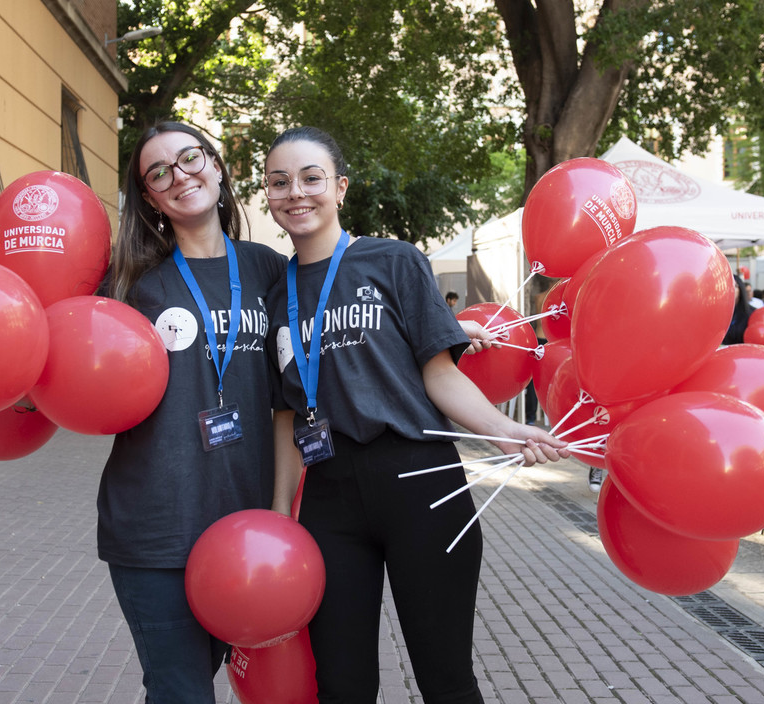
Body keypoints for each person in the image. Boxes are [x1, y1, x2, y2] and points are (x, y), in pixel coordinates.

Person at [264, 126, 568, 704]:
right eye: (280, 182)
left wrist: (505, 431)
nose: (296, 193)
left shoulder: (394, 261)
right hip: (328, 497)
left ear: (340, 188)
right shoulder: (276, 292)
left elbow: (441, 373)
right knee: (343, 686)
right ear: (269, 194)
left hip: (421, 484)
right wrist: (282, 514)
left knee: (445, 680)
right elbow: (285, 413)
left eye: (311, 178)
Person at [97, 121, 288, 702]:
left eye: (190, 158)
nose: (180, 176)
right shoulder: (131, 286)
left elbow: (326, 351)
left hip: (247, 527)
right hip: (157, 527)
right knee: (181, 691)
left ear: (217, 164)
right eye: (159, 173)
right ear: (151, 199)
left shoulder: (269, 270)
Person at [723, 275, 751, 345]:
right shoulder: (716, 313)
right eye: (726, 286)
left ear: (740, 289)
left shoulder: (751, 313)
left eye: (733, 285)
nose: (729, 289)